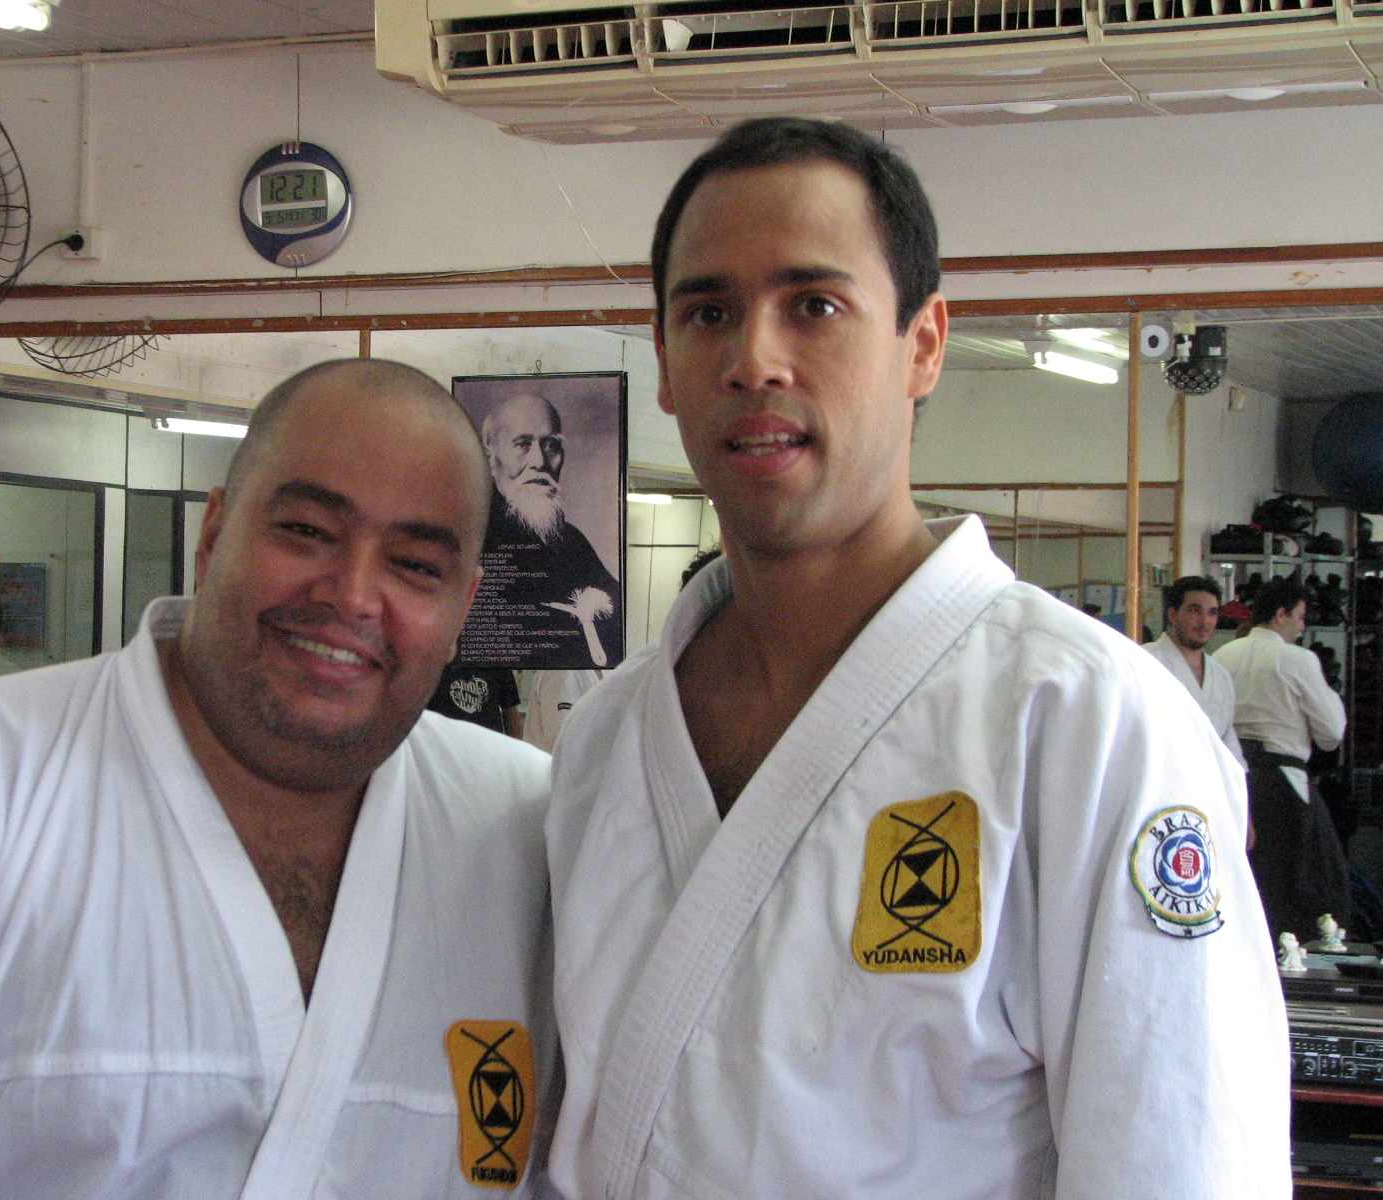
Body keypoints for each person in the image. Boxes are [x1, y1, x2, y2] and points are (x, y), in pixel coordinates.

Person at [543, 117, 1285, 1200]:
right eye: (707, 313)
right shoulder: (607, 738)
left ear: (924, 344)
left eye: (814, 305)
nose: (753, 360)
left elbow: (1182, 1163)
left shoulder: (1088, 722)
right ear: (662, 362)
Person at [0, 359, 560, 1199]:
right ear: (214, 533)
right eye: (305, 530)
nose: (352, 596)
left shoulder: (527, 827)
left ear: (463, 606)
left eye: (415, 565)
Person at [1214, 575, 1349, 942]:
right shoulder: (1296, 659)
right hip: (1282, 782)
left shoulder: (1223, 656)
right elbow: (1332, 733)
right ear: (1280, 614)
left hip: (1230, 781)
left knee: (1244, 879)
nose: (1302, 627)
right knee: (1305, 884)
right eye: (1300, 617)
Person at [476, 393, 624, 668]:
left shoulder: (569, 539)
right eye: (522, 444)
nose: (539, 461)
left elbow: (617, 618)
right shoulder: (472, 535)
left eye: (551, 445)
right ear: (490, 453)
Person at [1145, 575, 1246, 770]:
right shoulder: (1145, 661)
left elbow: (1228, 743)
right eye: (1195, 610)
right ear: (1172, 614)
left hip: (1210, 780)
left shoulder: (1220, 676)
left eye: (1212, 613)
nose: (1204, 621)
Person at [427, 659, 524, 737]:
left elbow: (510, 711)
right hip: (443, 743)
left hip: (487, 745)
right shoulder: (435, 661)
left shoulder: (496, 663)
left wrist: (514, 750)